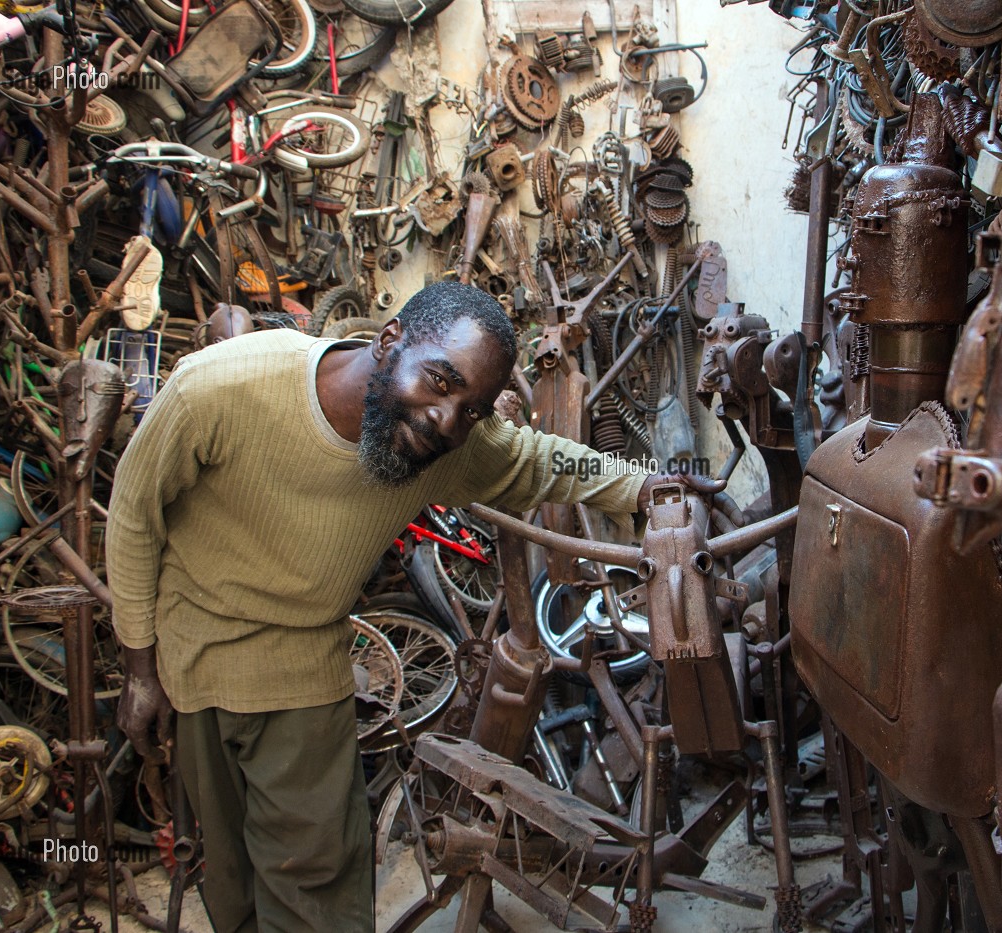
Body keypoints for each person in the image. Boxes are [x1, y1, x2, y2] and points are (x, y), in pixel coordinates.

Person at [105, 282, 720, 932]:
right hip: (189, 665)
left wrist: (647, 487)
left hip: (300, 676)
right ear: (389, 339)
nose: (444, 419)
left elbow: (539, 460)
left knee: (314, 896)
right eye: (438, 381)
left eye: (470, 408)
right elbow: (134, 515)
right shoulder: (219, 388)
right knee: (227, 883)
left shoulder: (443, 450)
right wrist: (140, 670)